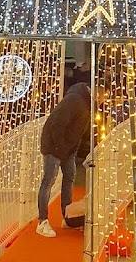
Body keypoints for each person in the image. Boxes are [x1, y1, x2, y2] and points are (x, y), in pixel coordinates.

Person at [36, 83, 91, 238]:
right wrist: (60, 149)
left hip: (67, 149)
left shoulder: (85, 105)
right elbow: (57, 123)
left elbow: (78, 132)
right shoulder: (75, 100)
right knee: (49, 180)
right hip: (54, 146)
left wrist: (72, 150)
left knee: (69, 177)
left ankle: (68, 217)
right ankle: (42, 221)